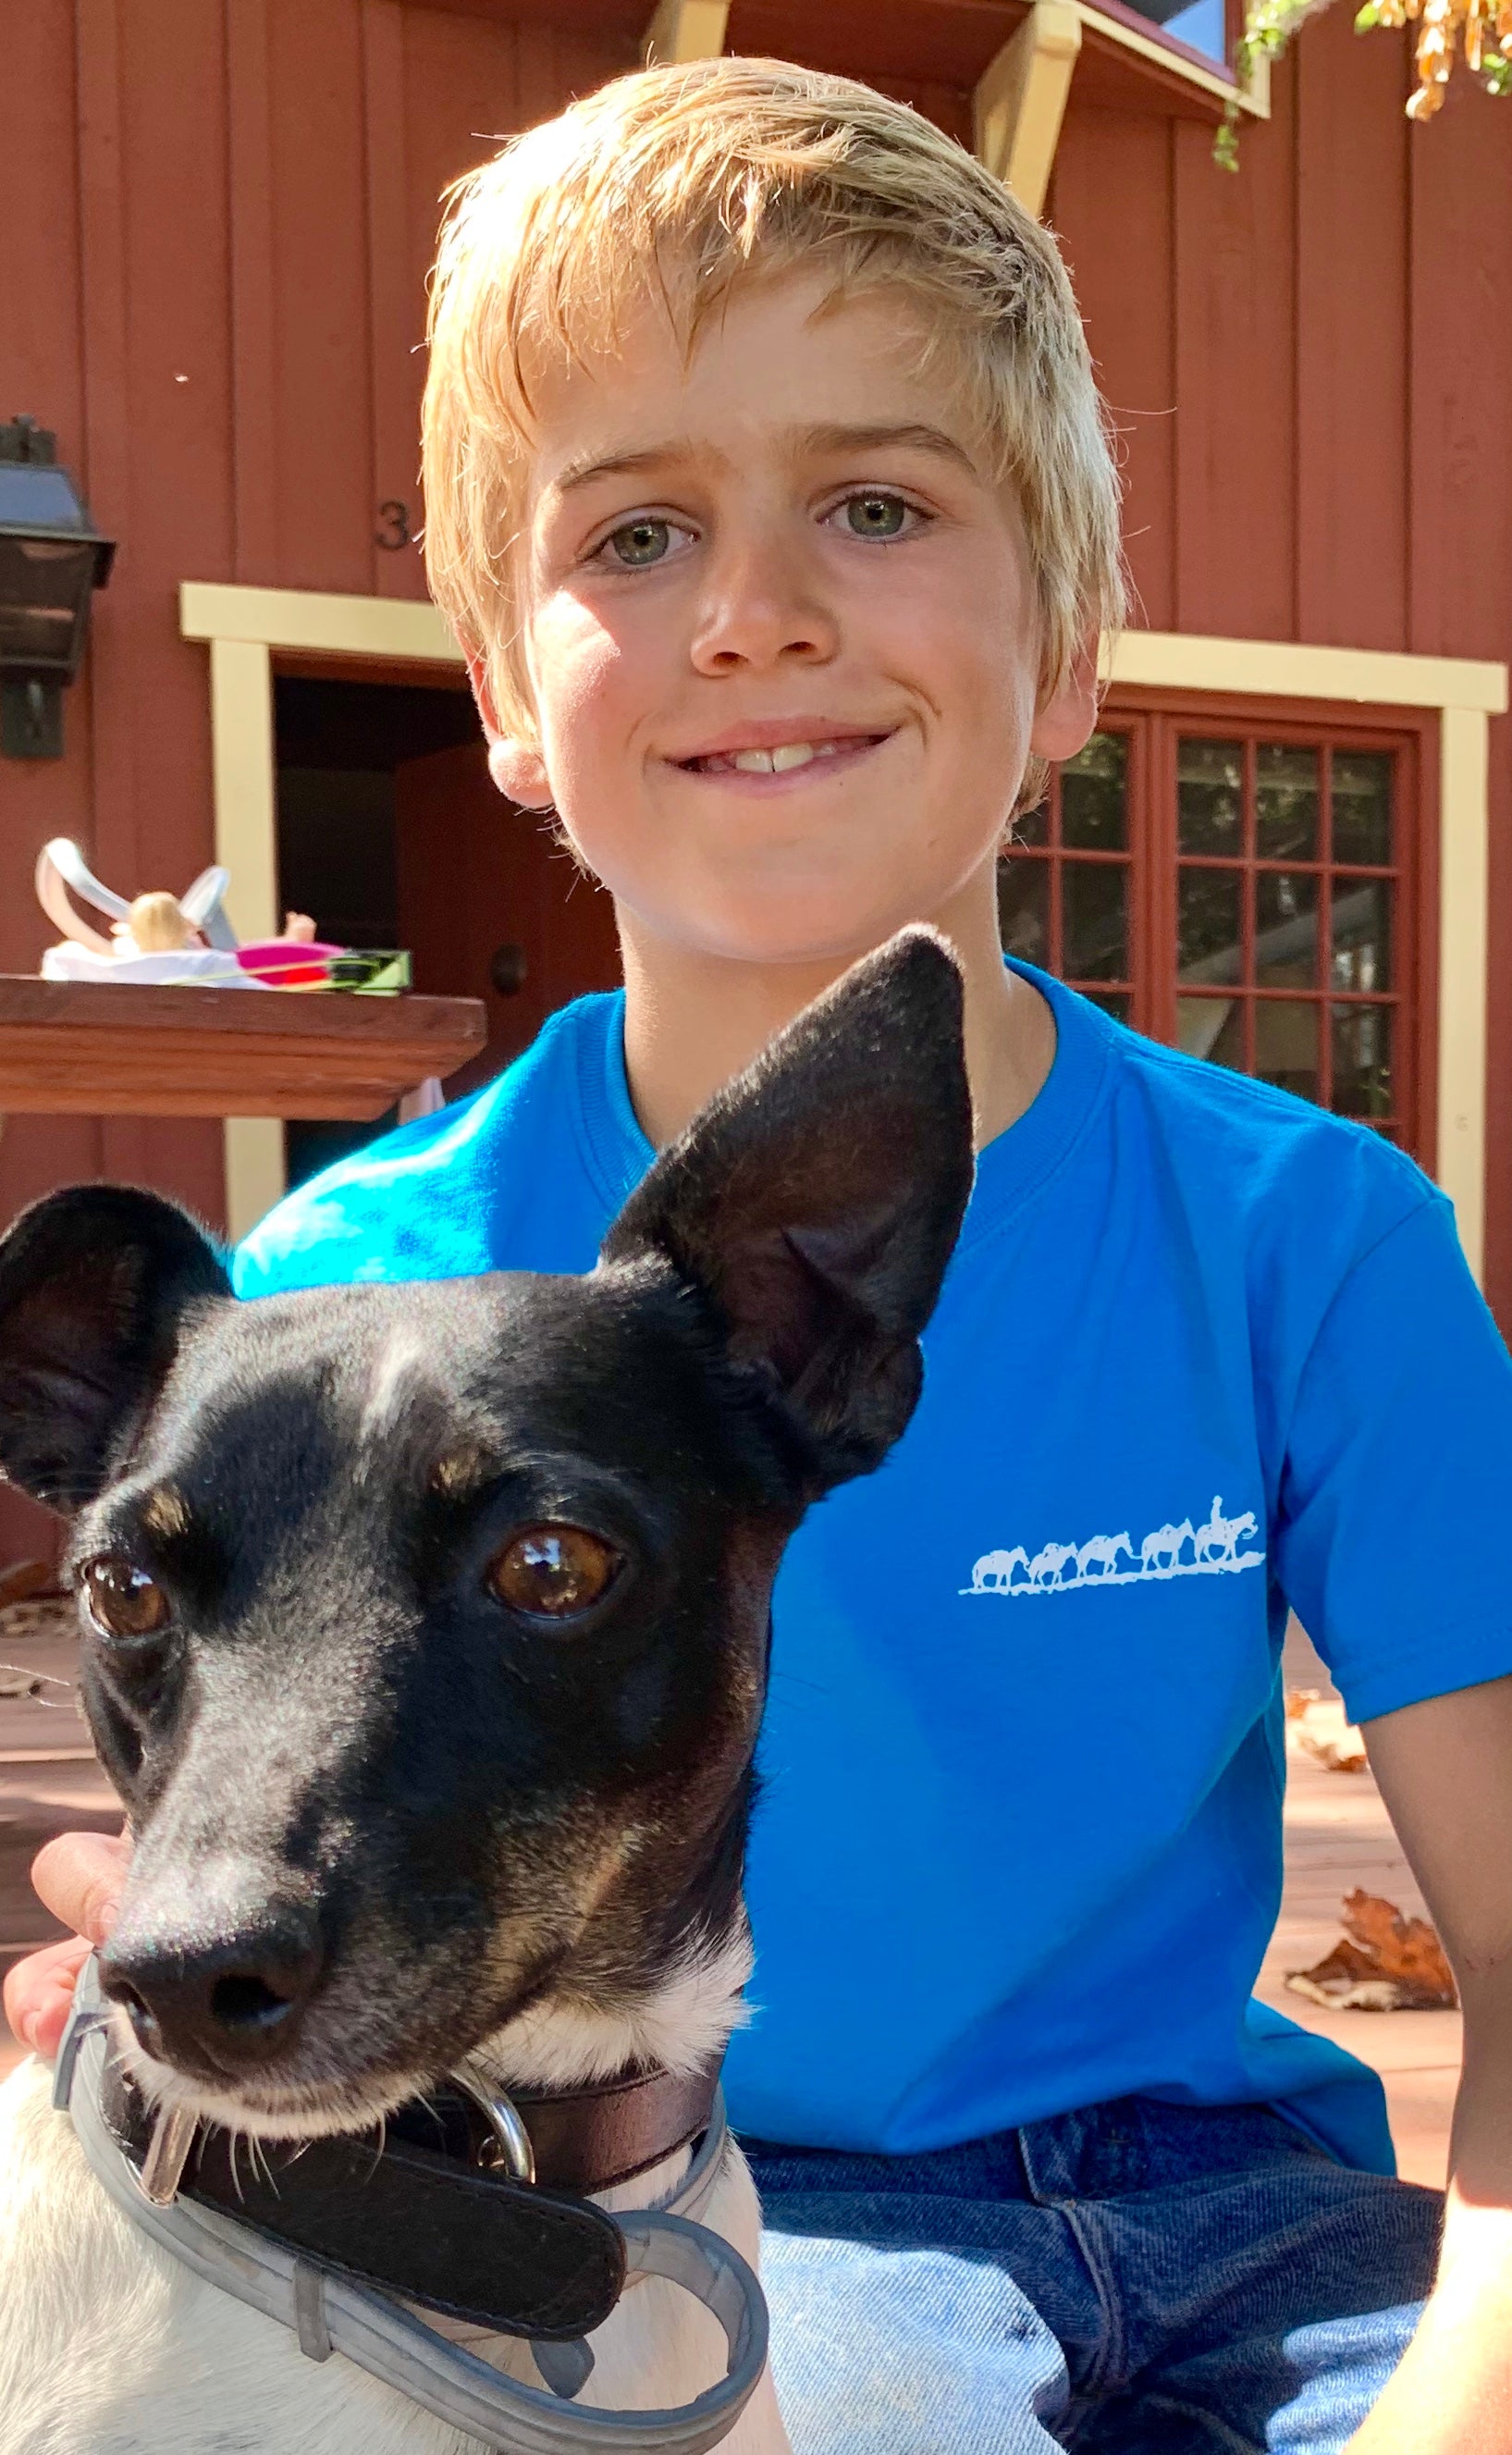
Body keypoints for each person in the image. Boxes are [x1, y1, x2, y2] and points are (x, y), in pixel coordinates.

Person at [9, 58, 1512, 2454]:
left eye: (877, 501)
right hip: (720, 2217)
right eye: (629, 539)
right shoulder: (335, 1306)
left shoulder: (1303, 1240)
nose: (754, 616)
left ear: (1075, 654)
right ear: (504, 689)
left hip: (1265, 2217)